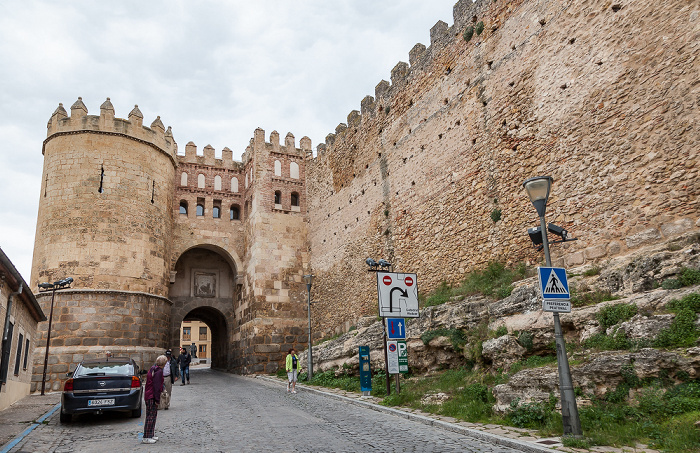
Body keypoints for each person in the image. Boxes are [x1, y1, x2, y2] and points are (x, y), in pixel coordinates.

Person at [143, 355, 167, 444]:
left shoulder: (153, 368)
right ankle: (147, 436)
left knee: (151, 416)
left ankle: (150, 434)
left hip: (148, 395)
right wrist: (157, 400)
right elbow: (157, 386)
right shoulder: (159, 371)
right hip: (151, 396)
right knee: (151, 416)